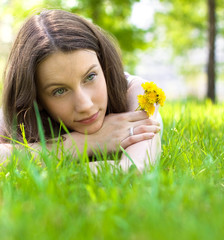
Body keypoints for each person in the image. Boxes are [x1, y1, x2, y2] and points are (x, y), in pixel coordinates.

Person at [0, 9, 162, 171]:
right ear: (36, 99)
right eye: (59, 91)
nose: (85, 105)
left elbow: (135, 169)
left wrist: (46, 166)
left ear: (104, 66)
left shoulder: (139, 93)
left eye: (90, 77)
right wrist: (88, 141)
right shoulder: (17, 115)